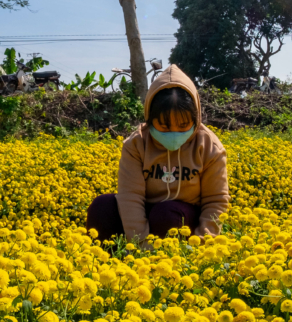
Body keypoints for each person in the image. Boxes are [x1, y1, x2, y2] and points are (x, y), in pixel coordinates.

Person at [86, 64, 229, 242]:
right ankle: (111, 258)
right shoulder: (136, 144)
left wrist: (202, 243)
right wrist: (141, 243)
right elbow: (131, 196)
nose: (174, 133)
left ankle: (172, 257)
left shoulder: (208, 146)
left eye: (183, 126)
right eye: (164, 126)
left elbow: (215, 200)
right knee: (102, 206)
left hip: (181, 217)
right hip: (144, 213)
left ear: (196, 118)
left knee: (165, 214)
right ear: (149, 118)